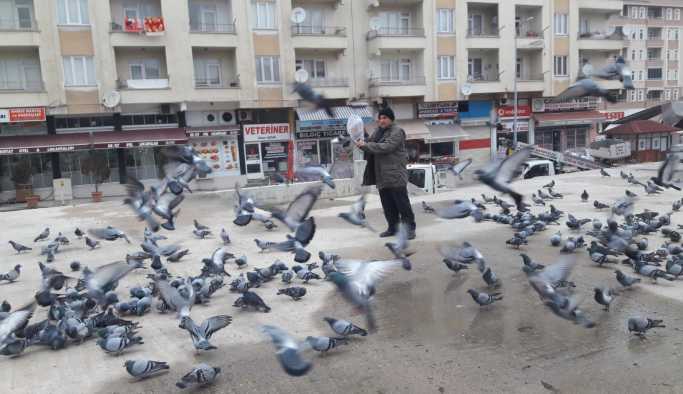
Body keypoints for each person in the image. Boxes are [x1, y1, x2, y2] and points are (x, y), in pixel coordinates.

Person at [356, 107, 416, 240]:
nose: (381, 120)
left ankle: (410, 230)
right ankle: (393, 228)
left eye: (384, 118)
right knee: (388, 205)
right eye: (380, 118)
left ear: (391, 119)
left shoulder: (397, 132)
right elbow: (370, 144)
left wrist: (366, 146)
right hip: (382, 175)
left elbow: (386, 147)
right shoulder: (378, 132)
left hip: (395, 175)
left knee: (402, 205)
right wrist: (361, 142)